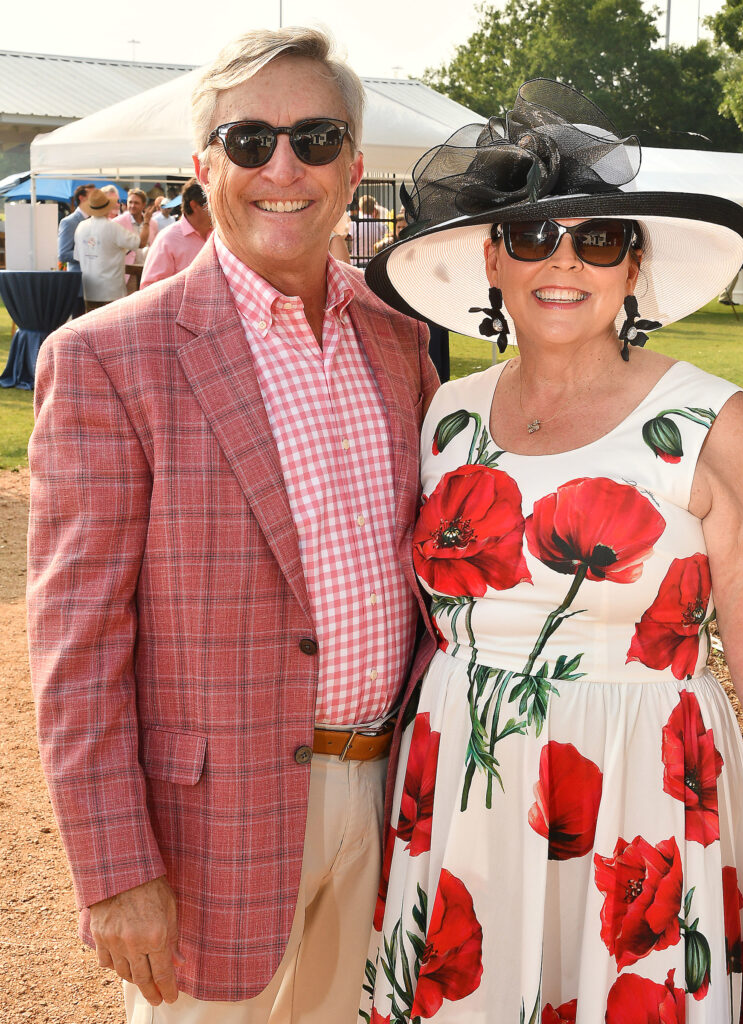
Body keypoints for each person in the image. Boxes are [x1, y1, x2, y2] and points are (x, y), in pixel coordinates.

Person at [359, 79, 743, 1024]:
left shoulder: (711, 423)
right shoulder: (447, 415)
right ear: (492, 259)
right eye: (532, 235)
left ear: (633, 266)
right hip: (462, 800)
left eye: (600, 238)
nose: (564, 261)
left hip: (640, 804)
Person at [28, 27, 438, 1024]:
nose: (283, 168)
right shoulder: (107, 359)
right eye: (250, 140)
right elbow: (77, 645)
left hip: (390, 798)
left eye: (315, 138)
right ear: (203, 166)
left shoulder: (401, 346)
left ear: (352, 165)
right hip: (212, 826)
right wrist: (115, 870)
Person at [73, 187, 140, 311]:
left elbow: (78, 257)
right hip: (112, 291)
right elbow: (137, 243)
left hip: (90, 291)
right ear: (107, 207)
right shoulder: (113, 227)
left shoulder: (80, 227)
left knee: (92, 322)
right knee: (113, 322)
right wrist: (146, 223)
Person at [140, 178, 212, 288]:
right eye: (213, 203)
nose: (221, 209)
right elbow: (149, 289)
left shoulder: (220, 236)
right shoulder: (167, 239)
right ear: (194, 206)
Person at [57, 182, 96, 271]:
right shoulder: (69, 222)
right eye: (93, 196)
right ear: (81, 198)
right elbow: (63, 254)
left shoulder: (95, 219)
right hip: (78, 275)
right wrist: (89, 253)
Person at [349, 193, 386, 263]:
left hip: (356, 262)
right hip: (373, 263)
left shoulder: (352, 225)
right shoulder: (381, 227)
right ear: (374, 209)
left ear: (360, 209)